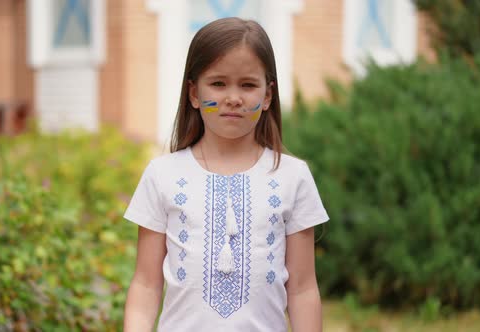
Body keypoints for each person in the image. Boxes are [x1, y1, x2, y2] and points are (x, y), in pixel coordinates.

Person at [123, 17, 329, 332]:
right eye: (218, 84)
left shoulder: (292, 177)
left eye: (247, 85)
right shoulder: (162, 174)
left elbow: (302, 289)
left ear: (268, 96)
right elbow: (146, 285)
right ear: (193, 93)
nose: (233, 97)